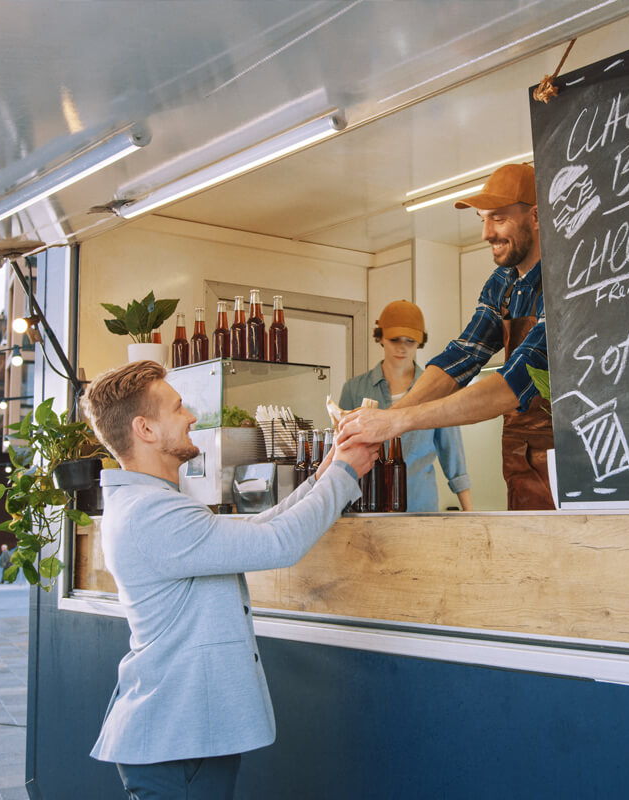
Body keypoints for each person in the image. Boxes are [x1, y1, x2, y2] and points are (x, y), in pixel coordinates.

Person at [81, 360, 375, 799]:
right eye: (177, 408)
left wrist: (323, 472)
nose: (192, 417)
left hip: (181, 737)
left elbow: (259, 530)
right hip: (176, 742)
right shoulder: (151, 514)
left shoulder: (150, 504)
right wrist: (345, 473)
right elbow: (279, 544)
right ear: (145, 429)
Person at [337, 163, 555, 510]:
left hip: (570, 466)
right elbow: (461, 358)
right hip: (518, 461)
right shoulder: (503, 284)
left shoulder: (566, 281)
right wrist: (388, 419)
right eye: (482, 219)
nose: (485, 233)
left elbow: (516, 380)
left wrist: (395, 420)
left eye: (498, 218)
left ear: (536, 216)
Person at [338, 299, 473, 511]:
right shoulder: (354, 390)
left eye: (410, 341)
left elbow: (453, 454)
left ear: (420, 342)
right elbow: (341, 453)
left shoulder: (437, 390)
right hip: (365, 507)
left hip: (420, 508)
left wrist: (470, 514)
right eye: (395, 340)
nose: (402, 347)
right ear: (380, 337)